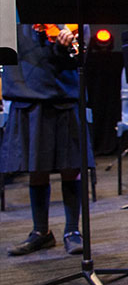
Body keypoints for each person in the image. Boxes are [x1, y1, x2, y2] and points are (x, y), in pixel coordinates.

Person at [2, 24, 88, 256]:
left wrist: (65, 47)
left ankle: (72, 231)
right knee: (35, 168)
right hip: (26, 94)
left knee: (71, 166)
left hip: (63, 96)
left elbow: (79, 60)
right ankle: (41, 232)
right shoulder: (11, 14)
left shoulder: (69, 14)